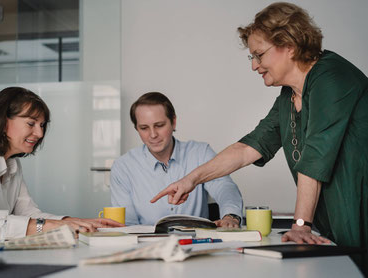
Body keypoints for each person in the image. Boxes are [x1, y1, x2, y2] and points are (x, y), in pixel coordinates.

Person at [151, 2, 368, 250]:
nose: (254, 65)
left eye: (260, 55)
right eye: (252, 57)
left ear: (289, 45)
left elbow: (316, 155)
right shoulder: (289, 96)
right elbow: (248, 148)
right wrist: (191, 180)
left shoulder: (331, 76)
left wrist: (300, 224)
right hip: (337, 226)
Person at [0, 87, 124, 239]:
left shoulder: (12, 164)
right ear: (3, 121)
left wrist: (73, 222)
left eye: (42, 125)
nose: (40, 133)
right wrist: (51, 226)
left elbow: (29, 214)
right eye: (31, 123)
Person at [110, 92, 243, 227]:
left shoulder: (200, 153)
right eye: (144, 128)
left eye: (159, 125)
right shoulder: (123, 167)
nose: (153, 135)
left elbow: (224, 186)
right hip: (147, 245)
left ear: (173, 122)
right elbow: (127, 224)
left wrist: (230, 216)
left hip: (199, 244)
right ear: (137, 128)